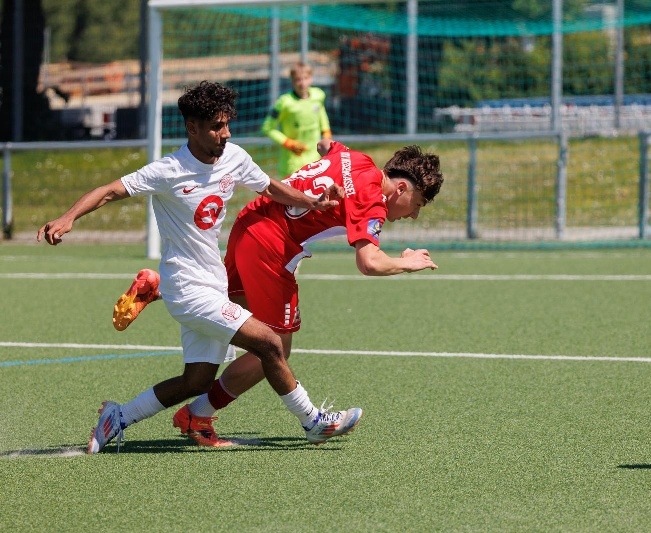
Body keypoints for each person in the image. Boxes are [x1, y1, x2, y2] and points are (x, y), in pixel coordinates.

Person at [37, 81, 361, 454]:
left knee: (197, 381)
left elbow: (270, 187)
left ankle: (119, 416)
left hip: (213, 282)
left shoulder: (234, 157)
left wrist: (312, 202)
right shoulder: (168, 169)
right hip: (187, 288)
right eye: (216, 127)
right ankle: (313, 422)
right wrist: (68, 217)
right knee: (271, 343)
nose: (225, 134)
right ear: (192, 128)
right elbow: (109, 191)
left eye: (227, 125)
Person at [116, 137, 444, 447]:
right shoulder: (372, 199)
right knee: (276, 348)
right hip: (272, 247)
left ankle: (161, 288)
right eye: (417, 204)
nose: (413, 214)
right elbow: (369, 262)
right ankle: (198, 414)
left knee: (232, 311)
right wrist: (407, 263)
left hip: (250, 222)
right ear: (401, 188)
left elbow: (326, 145)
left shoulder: (356, 158)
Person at [262, 61, 332, 178]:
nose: (302, 83)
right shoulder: (284, 103)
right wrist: (288, 143)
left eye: (305, 78)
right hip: (292, 163)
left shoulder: (318, 96)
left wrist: (326, 132)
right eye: (298, 79)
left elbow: (321, 112)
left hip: (315, 159)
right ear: (292, 81)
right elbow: (267, 128)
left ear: (311, 79)